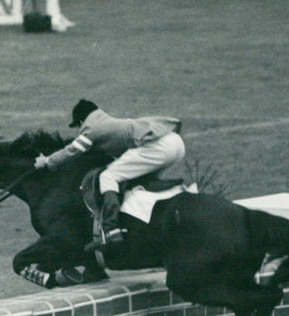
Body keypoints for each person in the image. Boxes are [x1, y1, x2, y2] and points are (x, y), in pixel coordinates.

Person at [35, 99, 185, 247]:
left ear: (81, 121)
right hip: (176, 144)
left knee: (107, 176)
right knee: (138, 179)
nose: (78, 129)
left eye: (77, 126)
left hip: (158, 147)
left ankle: (111, 229)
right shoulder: (105, 122)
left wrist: (48, 161)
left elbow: (73, 150)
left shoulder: (92, 127)